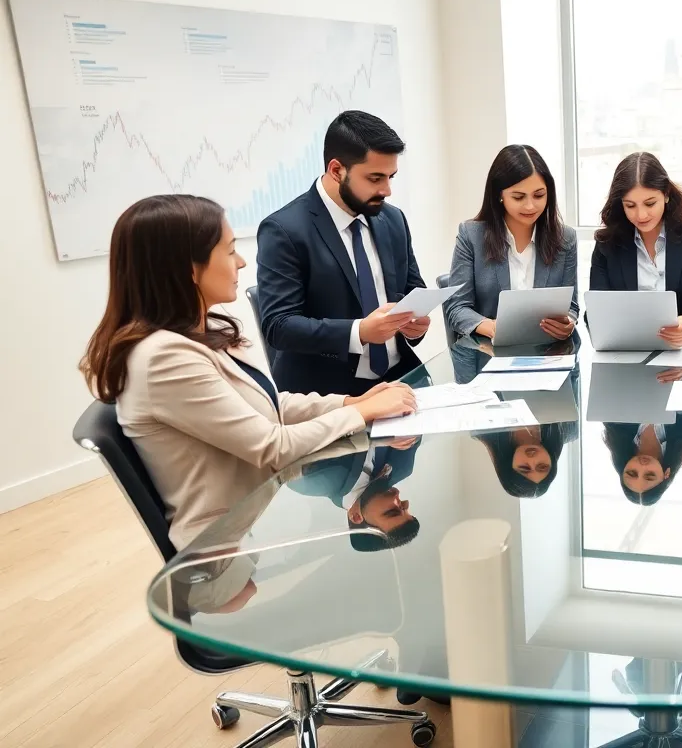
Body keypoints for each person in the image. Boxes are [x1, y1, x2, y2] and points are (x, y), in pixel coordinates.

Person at [80, 195, 418, 550]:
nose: (241, 262)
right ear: (188, 269)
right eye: (228, 251)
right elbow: (272, 446)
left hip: (258, 518)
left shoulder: (197, 334)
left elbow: (271, 406)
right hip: (222, 548)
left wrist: (352, 401)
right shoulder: (163, 358)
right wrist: (361, 413)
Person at [256, 110, 429, 396]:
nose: (386, 190)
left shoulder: (393, 219)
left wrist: (416, 324)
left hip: (400, 379)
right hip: (327, 394)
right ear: (337, 170)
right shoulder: (284, 230)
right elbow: (279, 326)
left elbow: (412, 289)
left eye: (391, 177)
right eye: (375, 178)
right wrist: (359, 332)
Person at [589, 151, 682, 346]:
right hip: (627, 352)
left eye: (650, 203)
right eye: (630, 206)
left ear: (666, 194)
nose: (641, 215)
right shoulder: (607, 243)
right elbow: (595, 312)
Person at [445, 145, 579, 341]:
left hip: (548, 353)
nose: (530, 206)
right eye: (518, 197)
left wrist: (568, 322)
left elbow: (571, 306)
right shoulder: (471, 236)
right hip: (488, 354)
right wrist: (490, 327)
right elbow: (456, 308)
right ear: (499, 194)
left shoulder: (565, 238)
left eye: (539, 195)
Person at [292, 436, 422, 549]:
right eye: (404, 506)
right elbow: (415, 420)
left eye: (392, 511)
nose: (398, 497)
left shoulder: (309, 480)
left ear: (356, 516)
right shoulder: (402, 468)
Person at [473, 423, 579, 498]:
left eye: (524, 467)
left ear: (508, 466)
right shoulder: (571, 428)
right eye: (542, 466)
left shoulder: (482, 430)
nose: (532, 459)